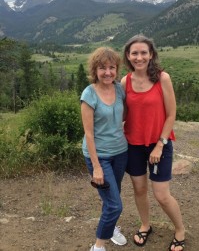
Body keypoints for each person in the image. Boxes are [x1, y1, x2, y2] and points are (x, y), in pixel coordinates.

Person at [121, 35, 185, 251]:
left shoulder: (162, 78)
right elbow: (124, 113)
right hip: (134, 145)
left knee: (161, 195)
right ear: (128, 57)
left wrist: (160, 144)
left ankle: (180, 230)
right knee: (139, 189)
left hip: (159, 144)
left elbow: (171, 114)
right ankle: (145, 225)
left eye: (143, 53)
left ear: (151, 55)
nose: (139, 57)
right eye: (134, 53)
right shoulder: (125, 81)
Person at [80, 47, 128, 251]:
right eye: (102, 68)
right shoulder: (89, 94)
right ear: (95, 70)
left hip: (120, 152)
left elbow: (123, 116)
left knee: (112, 197)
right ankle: (98, 247)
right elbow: (89, 134)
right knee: (115, 204)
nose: (107, 72)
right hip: (99, 156)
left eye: (112, 67)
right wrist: (97, 167)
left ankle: (112, 226)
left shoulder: (119, 89)